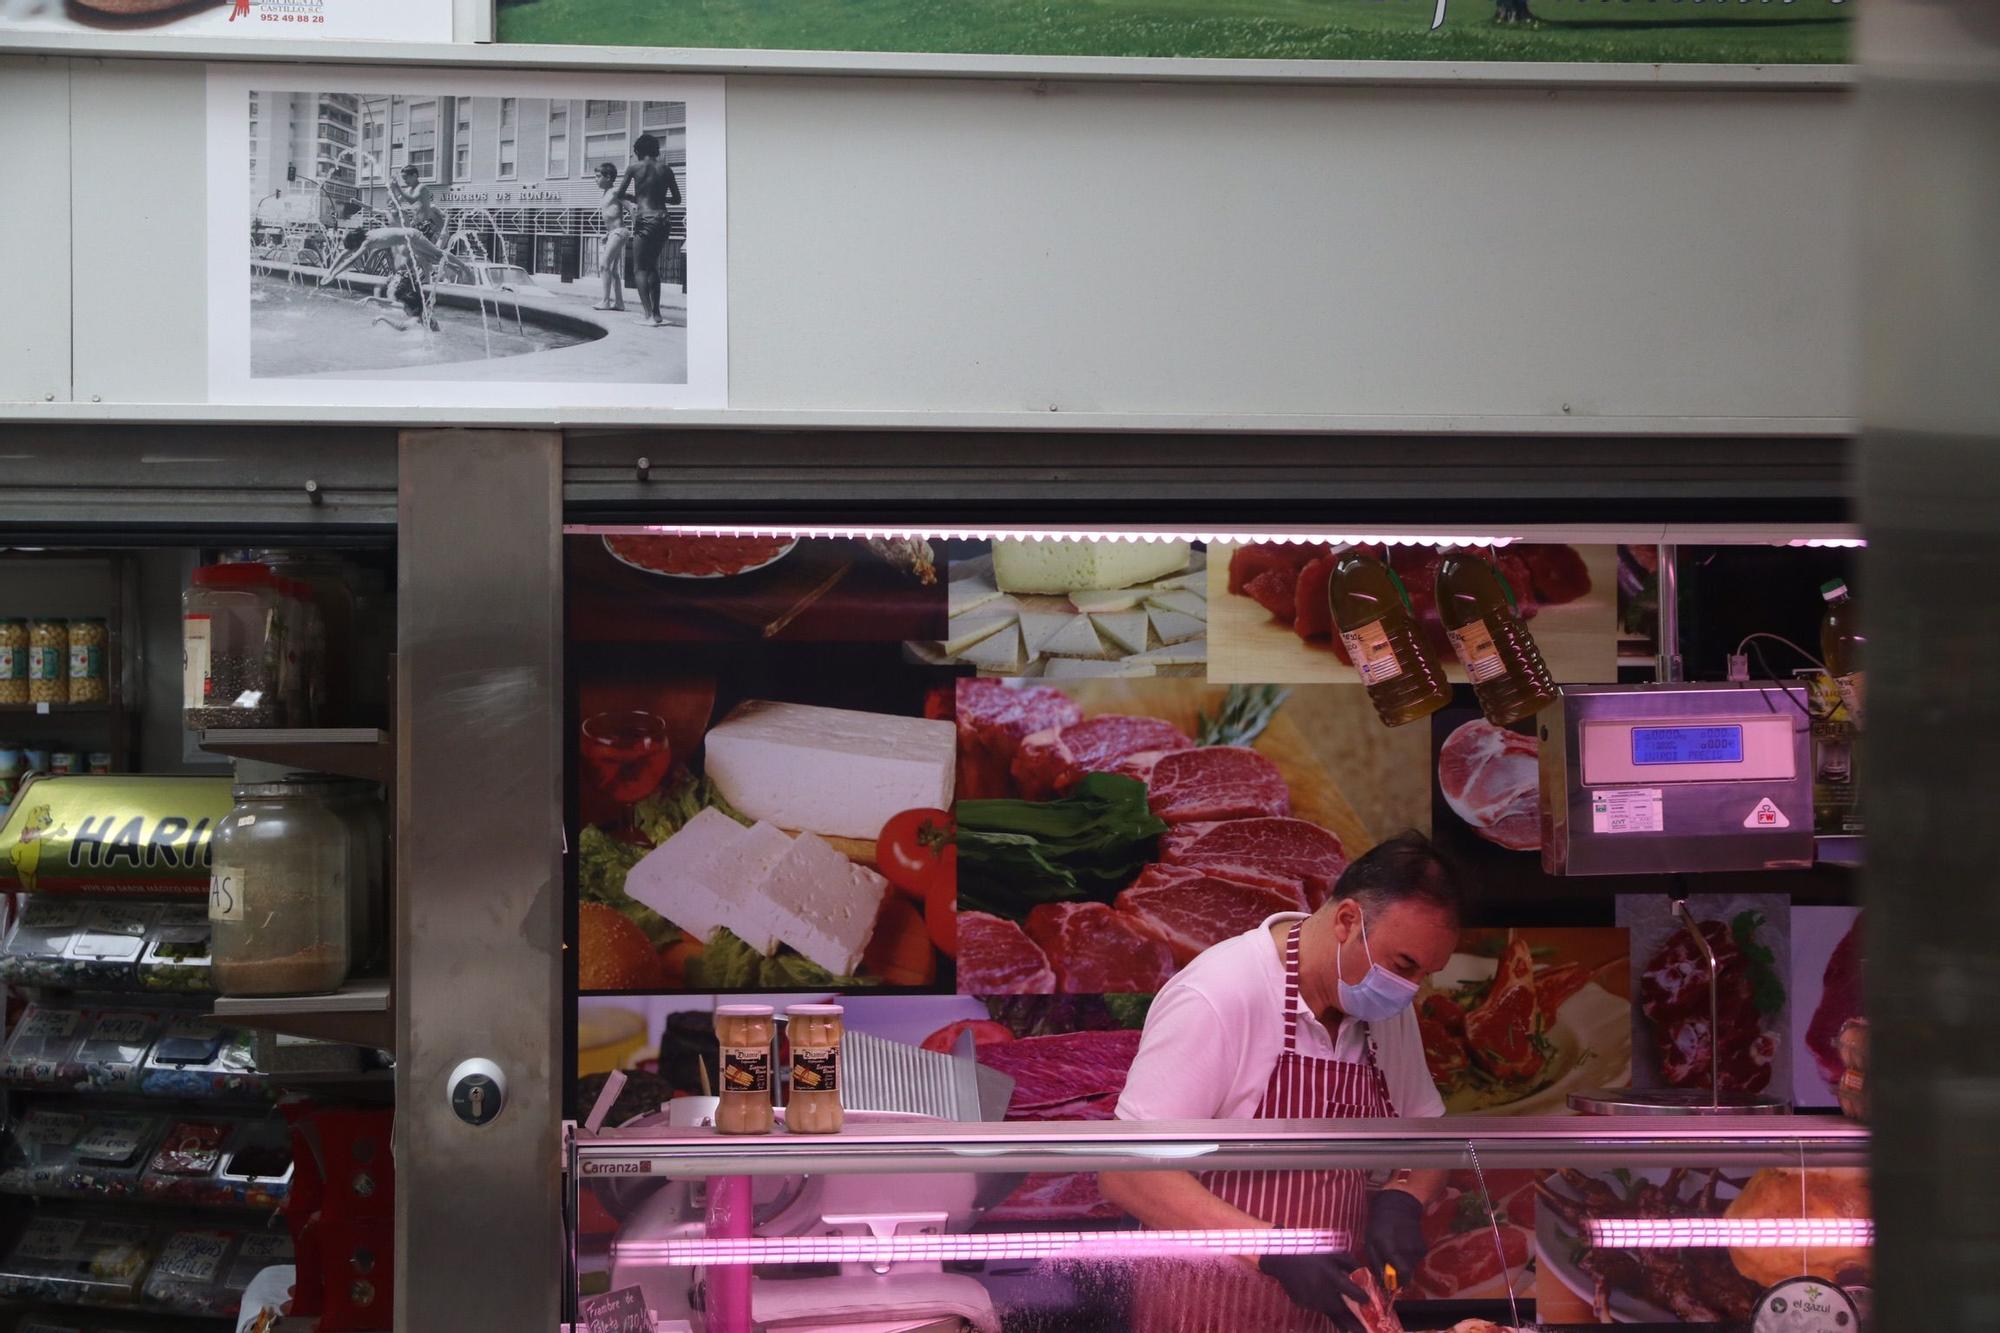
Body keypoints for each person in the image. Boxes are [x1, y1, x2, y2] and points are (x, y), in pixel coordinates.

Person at [1099, 831, 1463, 1333]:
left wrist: (1405, 1196)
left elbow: (1429, 1138)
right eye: (1403, 965)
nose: (1410, 990)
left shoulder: (1381, 1009)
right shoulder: (1221, 993)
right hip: (1203, 1309)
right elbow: (1126, 1172)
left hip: (1327, 1311)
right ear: (1347, 920)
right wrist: (1274, 1250)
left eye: (1427, 973)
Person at [612, 132, 681, 327]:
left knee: (639, 269)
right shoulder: (666, 169)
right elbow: (677, 199)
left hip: (645, 219)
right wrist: (658, 198)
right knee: (652, 267)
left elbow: (618, 193)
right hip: (664, 220)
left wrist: (636, 198)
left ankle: (648, 315)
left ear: (638, 151)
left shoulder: (634, 167)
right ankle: (658, 314)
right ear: (656, 150)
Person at [320, 225, 447, 286]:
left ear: (355, 243)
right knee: (425, 257)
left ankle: (461, 267)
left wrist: (335, 274)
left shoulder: (367, 242)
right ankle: (428, 279)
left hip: (413, 236)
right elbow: (343, 255)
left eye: (352, 247)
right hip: (408, 239)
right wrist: (329, 271)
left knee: (437, 254)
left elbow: (352, 259)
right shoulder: (365, 237)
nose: (352, 250)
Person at [593, 162, 631, 313]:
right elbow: (612, 215)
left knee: (604, 265)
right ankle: (619, 303)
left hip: (619, 231)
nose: (595, 180)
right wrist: (608, 233)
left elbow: (631, 207)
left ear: (608, 177)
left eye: (597, 176)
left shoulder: (615, 191)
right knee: (613, 271)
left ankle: (606, 301)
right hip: (613, 233)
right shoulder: (606, 193)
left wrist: (639, 227)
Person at [389, 165, 446, 244]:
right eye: (403, 179)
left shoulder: (422, 188)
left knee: (428, 252)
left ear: (414, 175)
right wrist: (393, 189)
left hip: (429, 225)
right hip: (416, 224)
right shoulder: (408, 190)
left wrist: (398, 188)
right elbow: (397, 202)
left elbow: (412, 200)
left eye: (406, 178)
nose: (405, 181)